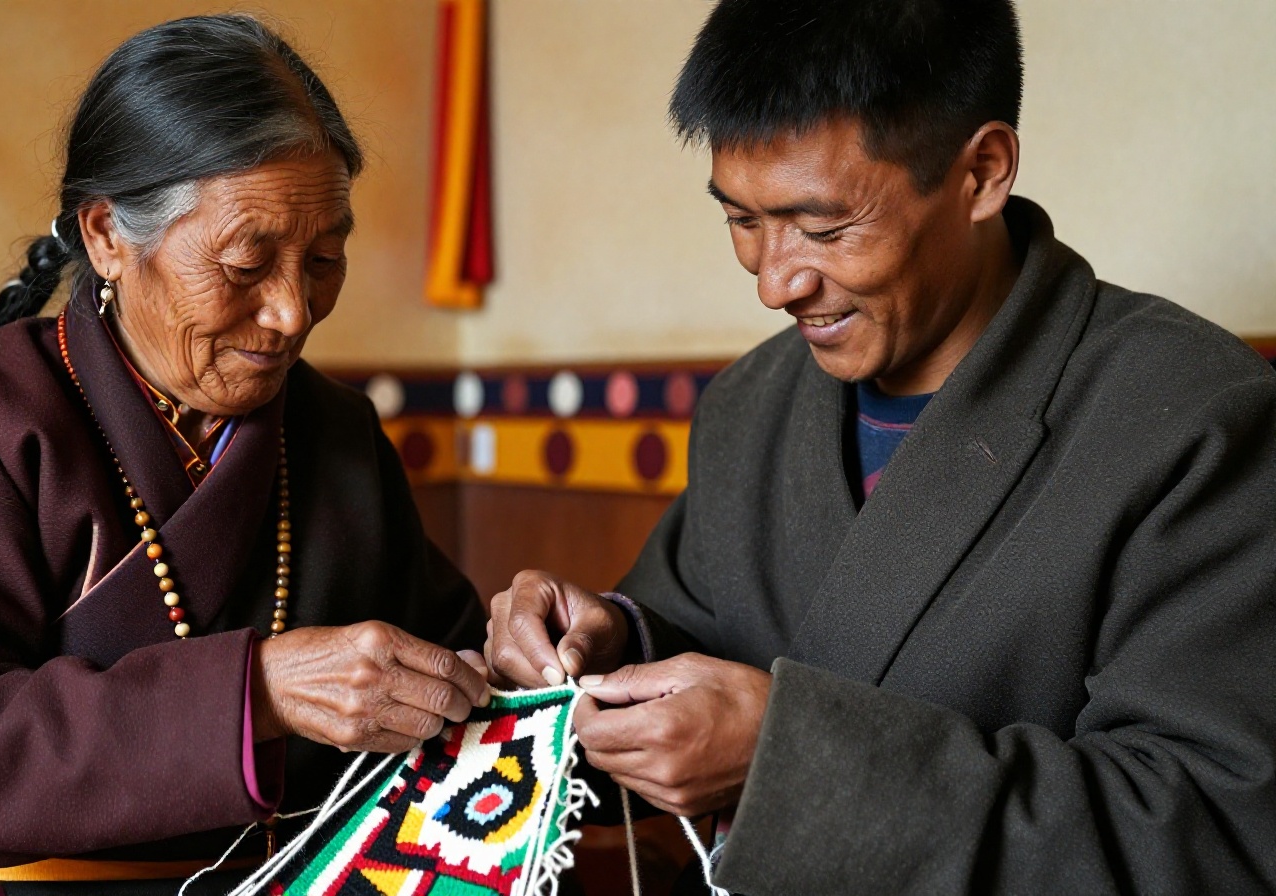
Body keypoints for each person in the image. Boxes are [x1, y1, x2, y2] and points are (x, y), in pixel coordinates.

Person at [484, 0, 1276, 893]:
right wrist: (607, 645)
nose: (776, 283)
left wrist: (790, 763)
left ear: (981, 171)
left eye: (823, 228)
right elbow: (704, 630)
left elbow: (1212, 831)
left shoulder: (1192, 415)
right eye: (741, 220)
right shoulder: (752, 404)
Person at [0, 15, 487, 896]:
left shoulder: (335, 434)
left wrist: (526, 654)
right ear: (106, 234)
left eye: (324, 258)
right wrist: (254, 691)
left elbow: (442, 675)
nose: (295, 312)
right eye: (248, 265)